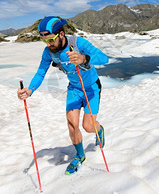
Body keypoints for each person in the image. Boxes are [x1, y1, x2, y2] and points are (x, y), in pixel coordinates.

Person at [17, 16, 109, 175]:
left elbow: (104, 58)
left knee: (88, 127)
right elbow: (40, 72)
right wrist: (30, 90)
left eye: (51, 39)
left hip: (91, 87)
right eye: (44, 40)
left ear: (60, 34)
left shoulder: (78, 43)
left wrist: (83, 58)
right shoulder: (49, 52)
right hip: (74, 88)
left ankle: (99, 130)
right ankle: (80, 156)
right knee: (72, 124)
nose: (48, 44)